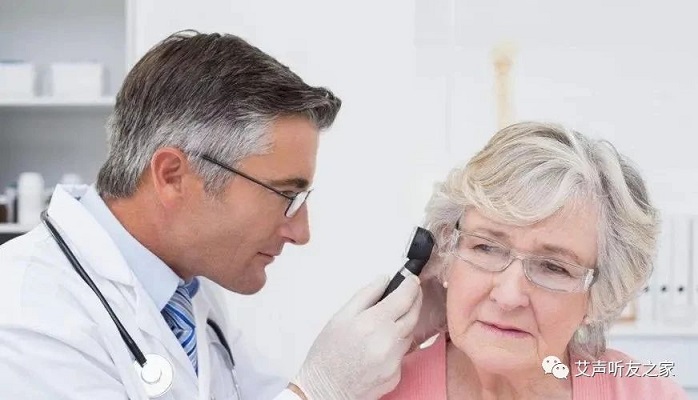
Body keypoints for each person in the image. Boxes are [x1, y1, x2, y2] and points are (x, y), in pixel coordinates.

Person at [0, 31, 423, 400]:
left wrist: (399, 337)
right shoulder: (26, 313)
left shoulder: (184, 290)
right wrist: (319, 391)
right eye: (285, 195)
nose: (301, 232)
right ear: (172, 176)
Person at [383, 121, 689, 399]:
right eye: (486, 248)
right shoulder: (376, 390)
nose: (508, 297)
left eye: (553, 267)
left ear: (598, 297)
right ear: (445, 255)